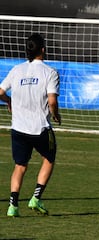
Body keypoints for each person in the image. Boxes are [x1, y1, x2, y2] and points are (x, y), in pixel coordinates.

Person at [0, 33, 61, 217]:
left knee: (20, 166)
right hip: (40, 128)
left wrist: (9, 101)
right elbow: (52, 101)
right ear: (43, 49)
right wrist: (56, 115)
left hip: (18, 128)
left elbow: (0, 92)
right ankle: (35, 197)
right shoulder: (50, 72)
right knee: (49, 159)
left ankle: (13, 207)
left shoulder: (16, 70)